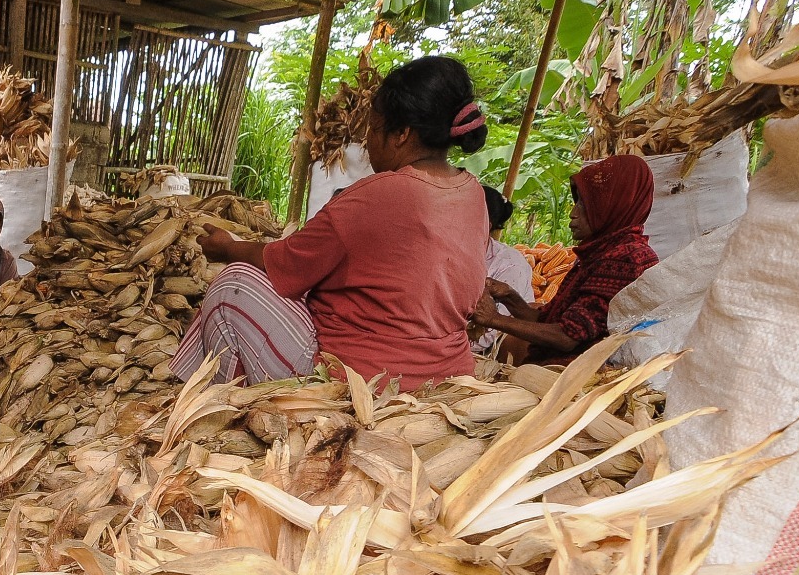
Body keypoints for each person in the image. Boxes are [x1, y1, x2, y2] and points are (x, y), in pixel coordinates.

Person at [175, 56, 490, 388]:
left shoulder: (379, 193)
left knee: (233, 285)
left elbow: (287, 264)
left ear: (401, 134)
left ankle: (219, 406)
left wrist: (229, 248)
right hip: (449, 372)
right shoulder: (473, 194)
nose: (368, 141)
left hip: (366, 378)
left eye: (373, 127)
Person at [473, 154, 658, 363]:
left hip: (577, 378)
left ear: (611, 207)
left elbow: (567, 337)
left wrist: (493, 319)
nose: (572, 213)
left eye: (584, 205)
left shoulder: (624, 258)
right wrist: (510, 296)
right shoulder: (600, 253)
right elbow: (550, 321)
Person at [476, 185, 535, 355]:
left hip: (495, 355)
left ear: (485, 225)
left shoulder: (510, 265)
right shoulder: (449, 254)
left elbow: (486, 336)